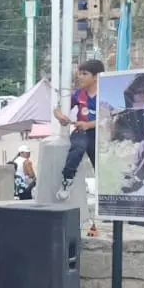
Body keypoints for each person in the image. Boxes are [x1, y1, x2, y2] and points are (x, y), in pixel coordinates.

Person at [55, 59, 104, 201]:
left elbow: (109, 119)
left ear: (96, 77)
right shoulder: (78, 94)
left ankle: (105, 194)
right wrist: (60, 116)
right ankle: (67, 180)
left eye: (84, 74)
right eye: (79, 73)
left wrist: (88, 125)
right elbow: (57, 109)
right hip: (81, 132)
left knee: (101, 164)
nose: (80, 77)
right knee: (77, 147)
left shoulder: (104, 95)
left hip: (99, 134)